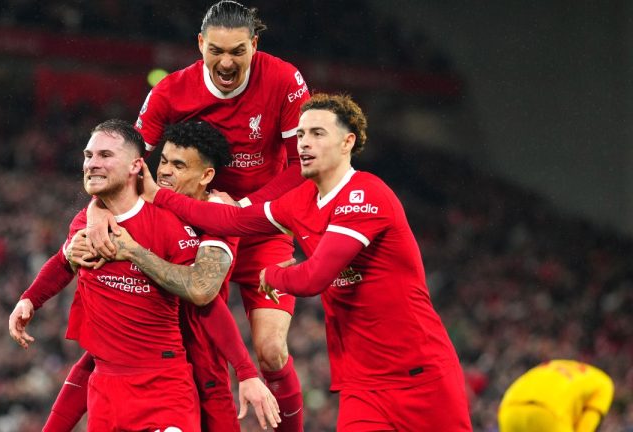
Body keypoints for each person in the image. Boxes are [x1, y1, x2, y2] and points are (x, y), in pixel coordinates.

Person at [136, 93, 473, 431]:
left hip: (420, 376)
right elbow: (234, 221)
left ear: (347, 142)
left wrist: (273, 275)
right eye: (300, 135)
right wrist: (159, 196)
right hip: (361, 386)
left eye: (317, 134)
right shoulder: (300, 200)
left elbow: (314, 278)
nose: (304, 144)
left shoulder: (366, 194)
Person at [84, 2, 310, 429]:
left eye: (239, 52)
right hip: (197, 232)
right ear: (201, 44)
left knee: (270, 352)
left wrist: (242, 210)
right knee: (198, 351)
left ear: (254, 46)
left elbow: (303, 165)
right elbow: (128, 156)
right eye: (217, 50)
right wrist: (97, 207)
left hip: (261, 231)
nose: (227, 62)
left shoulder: (283, 79)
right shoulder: (172, 90)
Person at [9, 120, 280, 431]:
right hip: (127, 359)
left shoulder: (219, 214)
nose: (164, 172)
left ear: (206, 176)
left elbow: (202, 293)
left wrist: (246, 372)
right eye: (163, 161)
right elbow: (78, 237)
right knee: (97, 357)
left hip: (196, 359)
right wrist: (96, 212)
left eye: (179, 165)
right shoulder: (109, 213)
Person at [498, 360, 615, 432]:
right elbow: (588, 424)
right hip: (549, 412)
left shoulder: (556, 364)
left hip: (508, 409)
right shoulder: (605, 383)